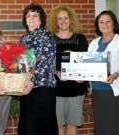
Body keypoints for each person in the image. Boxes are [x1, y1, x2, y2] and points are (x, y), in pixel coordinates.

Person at [88, 10, 119, 135]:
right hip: (98, 93)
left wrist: (116, 74)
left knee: (118, 128)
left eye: (108, 21)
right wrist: (88, 83)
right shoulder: (93, 44)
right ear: (98, 25)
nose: (104, 24)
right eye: (101, 22)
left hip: (116, 93)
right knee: (101, 128)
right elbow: (89, 66)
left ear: (113, 24)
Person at [47, 5, 89, 135]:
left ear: (71, 20)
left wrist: (81, 75)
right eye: (60, 18)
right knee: (58, 125)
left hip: (76, 87)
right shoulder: (50, 39)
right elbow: (47, 62)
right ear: (56, 21)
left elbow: (86, 61)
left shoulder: (80, 39)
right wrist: (56, 72)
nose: (63, 21)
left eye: (66, 18)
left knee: (72, 125)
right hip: (56, 88)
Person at [17, 3, 58, 135]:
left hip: (42, 88)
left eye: (35, 16)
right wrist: (20, 79)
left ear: (41, 19)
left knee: (42, 127)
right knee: (28, 126)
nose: (31, 19)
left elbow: (45, 61)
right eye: (28, 16)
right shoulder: (24, 38)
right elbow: (21, 64)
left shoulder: (46, 36)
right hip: (27, 87)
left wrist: (33, 80)